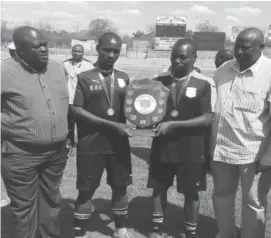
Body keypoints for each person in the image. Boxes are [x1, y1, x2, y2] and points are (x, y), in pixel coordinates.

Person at [1, 26, 70, 238]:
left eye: (45, 45)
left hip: (56, 153)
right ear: (20, 51)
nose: (43, 49)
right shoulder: (4, 73)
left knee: (51, 201)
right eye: (36, 46)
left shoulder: (58, 68)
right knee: (24, 209)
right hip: (20, 155)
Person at [147, 38, 215, 238]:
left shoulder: (203, 84)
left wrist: (174, 124)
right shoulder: (158, 82)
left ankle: (190, 231)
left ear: (194, 58)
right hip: (163, 146)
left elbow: (207, 118)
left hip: (192, 148)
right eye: (174, 56)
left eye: (183, 57)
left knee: (191, 193)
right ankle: (157, 229)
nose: (177, 61)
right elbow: (149, 112)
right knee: (159, 188)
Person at [71, 32, 133, 238]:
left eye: (116, 51)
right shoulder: (84, 78)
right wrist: (112, 125)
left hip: (118, 144)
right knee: (86, 190)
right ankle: (79, 232)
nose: (111, 55)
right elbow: (77, 111)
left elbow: (133, 109)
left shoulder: (124, 78)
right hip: (91, 143)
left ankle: (120, 230)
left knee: (120, 187)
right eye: (107, 50)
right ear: (98, 48)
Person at [211, 27, 271, 238]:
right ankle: (226, 234)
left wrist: (268, 155)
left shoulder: (269, 73)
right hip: (222, 149)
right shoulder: (224, 69)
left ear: (261, 47)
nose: (239, 52)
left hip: (253, 154)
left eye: (245, 48)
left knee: (253, 202)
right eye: (237, 46)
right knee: (221, 196)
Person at [63, 44, 94, 148]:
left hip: (82, 100)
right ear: (72, 52)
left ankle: (83, 143)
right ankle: (69, 142)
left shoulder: (89, 65)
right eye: (75, 51)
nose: (77, 53)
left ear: (83, 53)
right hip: (69, 99)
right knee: (69, 123)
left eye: (79, 51)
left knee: (83, 123)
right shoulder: (65, 64)